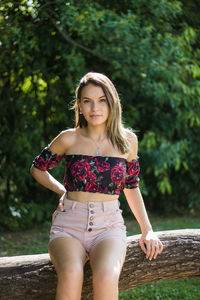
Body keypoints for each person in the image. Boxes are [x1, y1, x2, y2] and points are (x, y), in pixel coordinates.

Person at [30, 72, 163, 300]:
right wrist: (63, 191)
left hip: (108, 227)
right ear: (79, 105)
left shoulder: (127, 140)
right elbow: (37, 168)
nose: (95, 108)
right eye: (87, 101)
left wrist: (147, 229)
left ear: (112, 102)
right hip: (68, 225)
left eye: (102, 100)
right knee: (71, 273)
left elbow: (131, 186)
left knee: (107, 275)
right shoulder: (68, 138)